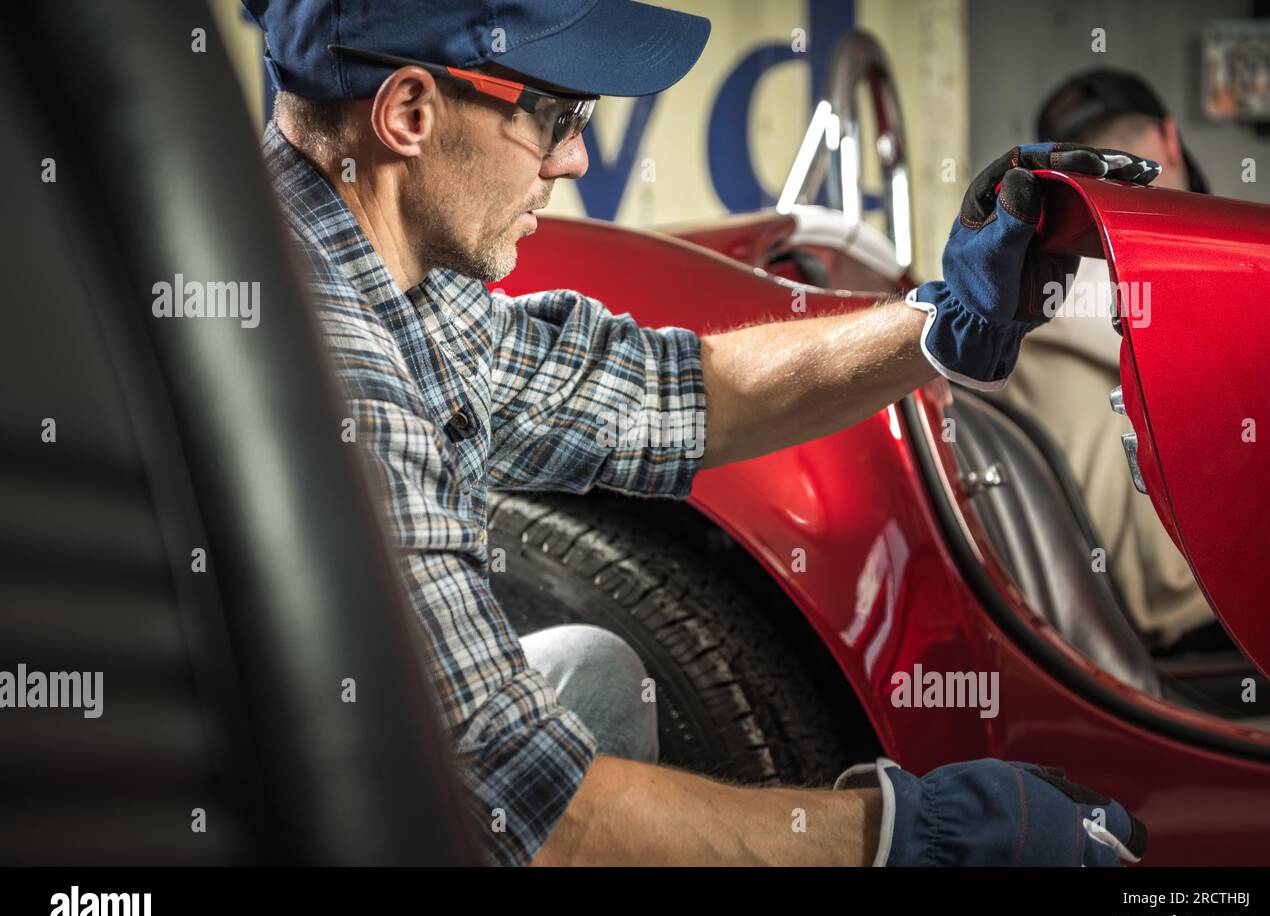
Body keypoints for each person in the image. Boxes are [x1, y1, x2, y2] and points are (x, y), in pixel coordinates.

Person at [244, 0, 1150, 866]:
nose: (575, 160)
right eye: (556, 114)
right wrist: (914, 839)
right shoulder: (327, 366)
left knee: (586, 669)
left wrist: (947, 322)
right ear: (408, 111)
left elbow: (667, 392)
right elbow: (532, 822)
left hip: (300, 762)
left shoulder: (377, 270)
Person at [1003, 70, 1217, 650]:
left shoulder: (1016, 303)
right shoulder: (1211, 275)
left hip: (1103, 635)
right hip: (1208, 614)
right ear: (1171, 142)